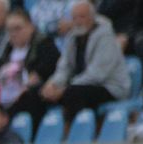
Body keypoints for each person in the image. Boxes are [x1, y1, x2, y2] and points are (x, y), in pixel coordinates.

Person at [20, 0, 129, 132]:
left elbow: (98, 74)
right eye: (74, 17)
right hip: (77, 84)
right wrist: (53, 84)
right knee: (36, 93)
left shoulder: (106, 36)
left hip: (108, 87)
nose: (78, 21)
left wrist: (64, 89)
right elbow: (64, 67)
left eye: (82, 16)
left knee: (73, 93)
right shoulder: (73, 37)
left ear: (92, 17)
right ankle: (35, 135)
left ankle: (77, 132)